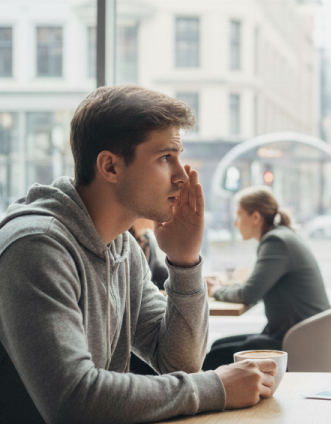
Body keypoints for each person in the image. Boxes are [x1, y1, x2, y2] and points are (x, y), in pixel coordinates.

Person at [0, 85, 276, 423]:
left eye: (179, 155)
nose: (182, 175)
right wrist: (215, 387)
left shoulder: (123, 247)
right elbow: (72, 400)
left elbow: (178, 363)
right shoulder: (36, 247)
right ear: (110, 167)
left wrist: (185, 261)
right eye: (165, 158)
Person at [203, 186, 331, 370]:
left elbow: (249, 294)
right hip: (302, 337)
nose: (236, 223)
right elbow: (256, 286)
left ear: (255, 217)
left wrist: (215, 290)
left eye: (239, 216)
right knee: (218, 346)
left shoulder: (276, 242)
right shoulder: (283, 236)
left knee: (214, 357)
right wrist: (229, 287)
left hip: (297, 343)